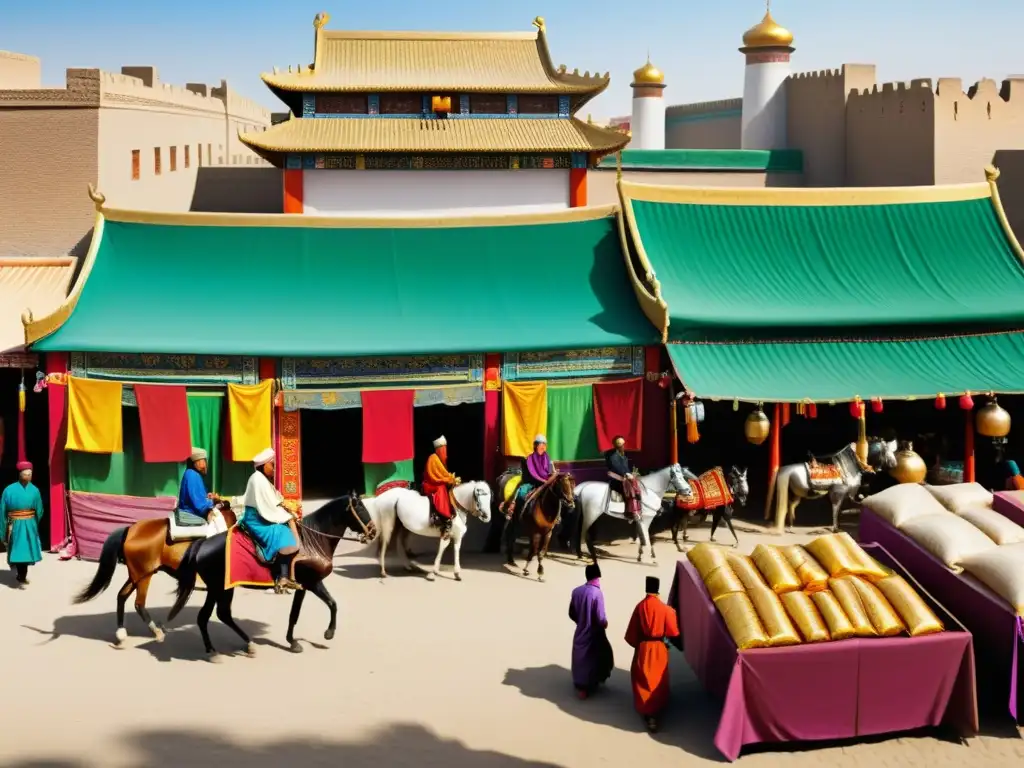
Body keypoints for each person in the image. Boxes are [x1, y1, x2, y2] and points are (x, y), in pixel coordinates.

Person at [237, 448, 301, 593]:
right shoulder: (257, 479)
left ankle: (286, 575)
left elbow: (274, 501)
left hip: (264, 513)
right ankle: (281, 578)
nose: (273, 469)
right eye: (272, 465)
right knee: (281, 531)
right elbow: (266, 507)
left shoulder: (263, 479)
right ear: (263, 465)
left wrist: (286, 507)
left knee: (288, 521)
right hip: (256, 519)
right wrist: (288, 516)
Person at [625, 575, 681, 732]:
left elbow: (632, 634)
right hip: (659, 648)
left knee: (642, 678)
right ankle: (655, 712)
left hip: (643, 646)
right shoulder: (665, 609)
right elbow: (674, 631)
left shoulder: (640, 607)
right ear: (657, 590)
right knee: (658, 679)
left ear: (646, 588)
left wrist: (638, 644)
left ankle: (647, 711)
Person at [568, 562, 614, 699]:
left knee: (580, 659)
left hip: (580, 630)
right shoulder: (597, 593)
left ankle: (580, 686)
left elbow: (571, 613)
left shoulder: (576, 591)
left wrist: (580, 622)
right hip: (594, 632)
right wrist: (605, 623)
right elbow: (600, 618)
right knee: (600, 656)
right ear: (597, 577)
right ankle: (591, 685)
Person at [0, 461, 45, 587]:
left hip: (22, 524)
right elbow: (40, 511)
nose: (28, 477)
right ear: (20, 474)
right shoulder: (10, 490)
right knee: (21, 549)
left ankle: (21, 574)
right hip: (20, 524)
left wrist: (33, 523)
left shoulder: (33, 490)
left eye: (29, 474)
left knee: (21, 549)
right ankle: (21, 575)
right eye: (26, 474)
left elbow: (39, 509)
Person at [503, 435, 555, 520]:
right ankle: (514, 513)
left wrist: (553, 472)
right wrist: (541, 481)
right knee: (521, 493)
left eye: (544, 445)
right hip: (532, 483)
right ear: (535, 446)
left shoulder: (548, 459)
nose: (542, 447)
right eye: (540, 444)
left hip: (547, 483)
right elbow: (531, 475)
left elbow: (550, 472)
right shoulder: (529, 459)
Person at [422, 436, 460, 537]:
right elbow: (433, 477)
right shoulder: (433, 458)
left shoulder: (439, 459)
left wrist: (451, 479)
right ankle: (444, 516)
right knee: (441, 488)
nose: (445, 452)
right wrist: (448, 479)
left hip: (436, 482)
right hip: (430, 484)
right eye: (443, 450)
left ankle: (450, 512)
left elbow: (443, 474)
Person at [176, 447, 216, 526]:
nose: (205, 464)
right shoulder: (192, 475)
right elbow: (200, 506)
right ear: (197, 462)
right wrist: (214, 501)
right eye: (203, 460)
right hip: (190, 516)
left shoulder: (192, 474)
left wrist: (207, 497)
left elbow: (197, 498)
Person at [606, 435, 641, 522]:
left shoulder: (623, 455)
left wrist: (632, 473)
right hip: (616, 478)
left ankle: (637, 508)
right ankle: (630, 512)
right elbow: (616, 467)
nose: (623, 447)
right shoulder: (611, 455)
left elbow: (625, 467)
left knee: (636, 485)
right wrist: (626, 474)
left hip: (624, 477)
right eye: (622, 445)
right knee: (630, 489)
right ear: (618, 446)